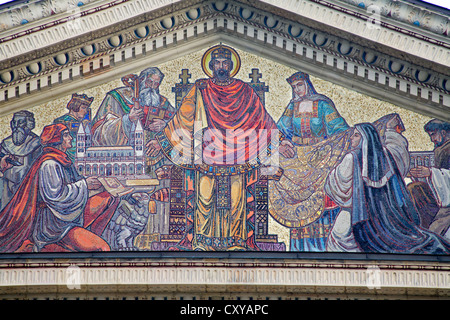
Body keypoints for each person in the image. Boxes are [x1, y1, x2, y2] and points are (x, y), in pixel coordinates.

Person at [147, 44, 295, 251]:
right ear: (211, 65)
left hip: (240, 154)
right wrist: (161, 139)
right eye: (217, 62)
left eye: (225, 62)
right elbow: (183, 119)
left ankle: (236, 243)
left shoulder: (245, 91)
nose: (221, 66)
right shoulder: (200, 89)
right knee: (204, 200)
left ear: (231, 65)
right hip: (206, 155)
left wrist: (280, 141)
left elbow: (262, 119)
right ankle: (202, 243)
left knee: (237, 202)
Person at [324, 122, 450, 254]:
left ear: (365, 138)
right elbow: (398, 153)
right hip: (384, 218)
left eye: (355, 135)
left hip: (358, 216)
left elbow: (337, 187)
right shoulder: (385, 155)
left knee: (338, 240)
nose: (351, 138)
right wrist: (391, 131)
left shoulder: (351, 157)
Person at [0, 123, 120, 253]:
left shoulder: (62, 159)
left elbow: (74, 184)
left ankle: (92, 235)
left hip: (67, 213)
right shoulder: (50, 163)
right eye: (67, 135)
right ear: (58, 139)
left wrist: (94, 185)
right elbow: (56, 196)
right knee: (103, 249)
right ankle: (72, 242)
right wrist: (85, 184)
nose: (71, 138)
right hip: (55, 223)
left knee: (109, 198)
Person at [269, 71, 350, 252]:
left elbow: (339, 129)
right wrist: (283, 141)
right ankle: (301, 249)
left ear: (307, 84)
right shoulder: (292, 106)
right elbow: (279, 129)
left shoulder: (322, 104)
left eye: (300, 85)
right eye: (294, 87)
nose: (297, 90)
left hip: (321, 156)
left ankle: (326, 247)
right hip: (298, 159)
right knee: (291, 191)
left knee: (322, 197)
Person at [408, 119, 450, 239]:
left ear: (443, 133)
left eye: (433, 134)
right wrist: (418, 174)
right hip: (441, 196)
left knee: (433, 235)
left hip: (447, 204)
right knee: (414, 188)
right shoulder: (439, 149)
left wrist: (430, 172)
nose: (432, 139)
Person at [0, 110, 42, 211]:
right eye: (14, 122)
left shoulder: (36, 143)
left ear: (29, 125)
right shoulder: (6, 143)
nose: (16, 126)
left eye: (20, 122)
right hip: (7, 186)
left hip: (27, 187)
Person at [53, 93, 93, 161]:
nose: (85, 111)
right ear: (75, 107)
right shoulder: (61, 121)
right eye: (83, 108)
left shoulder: (83, 123)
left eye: (86, 108)